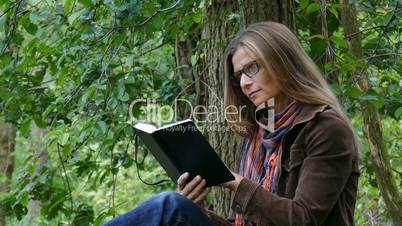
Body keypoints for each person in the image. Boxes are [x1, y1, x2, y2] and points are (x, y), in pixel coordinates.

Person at [103, 21, 360, 226]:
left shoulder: (325, 128)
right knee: (178, 210)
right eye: (239, 76)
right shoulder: (257, 134)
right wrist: (201, 213)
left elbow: (303, 219)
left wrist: (236, 183)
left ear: (282, 61)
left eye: (252, 68)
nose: (244, 83)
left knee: (168, 205)